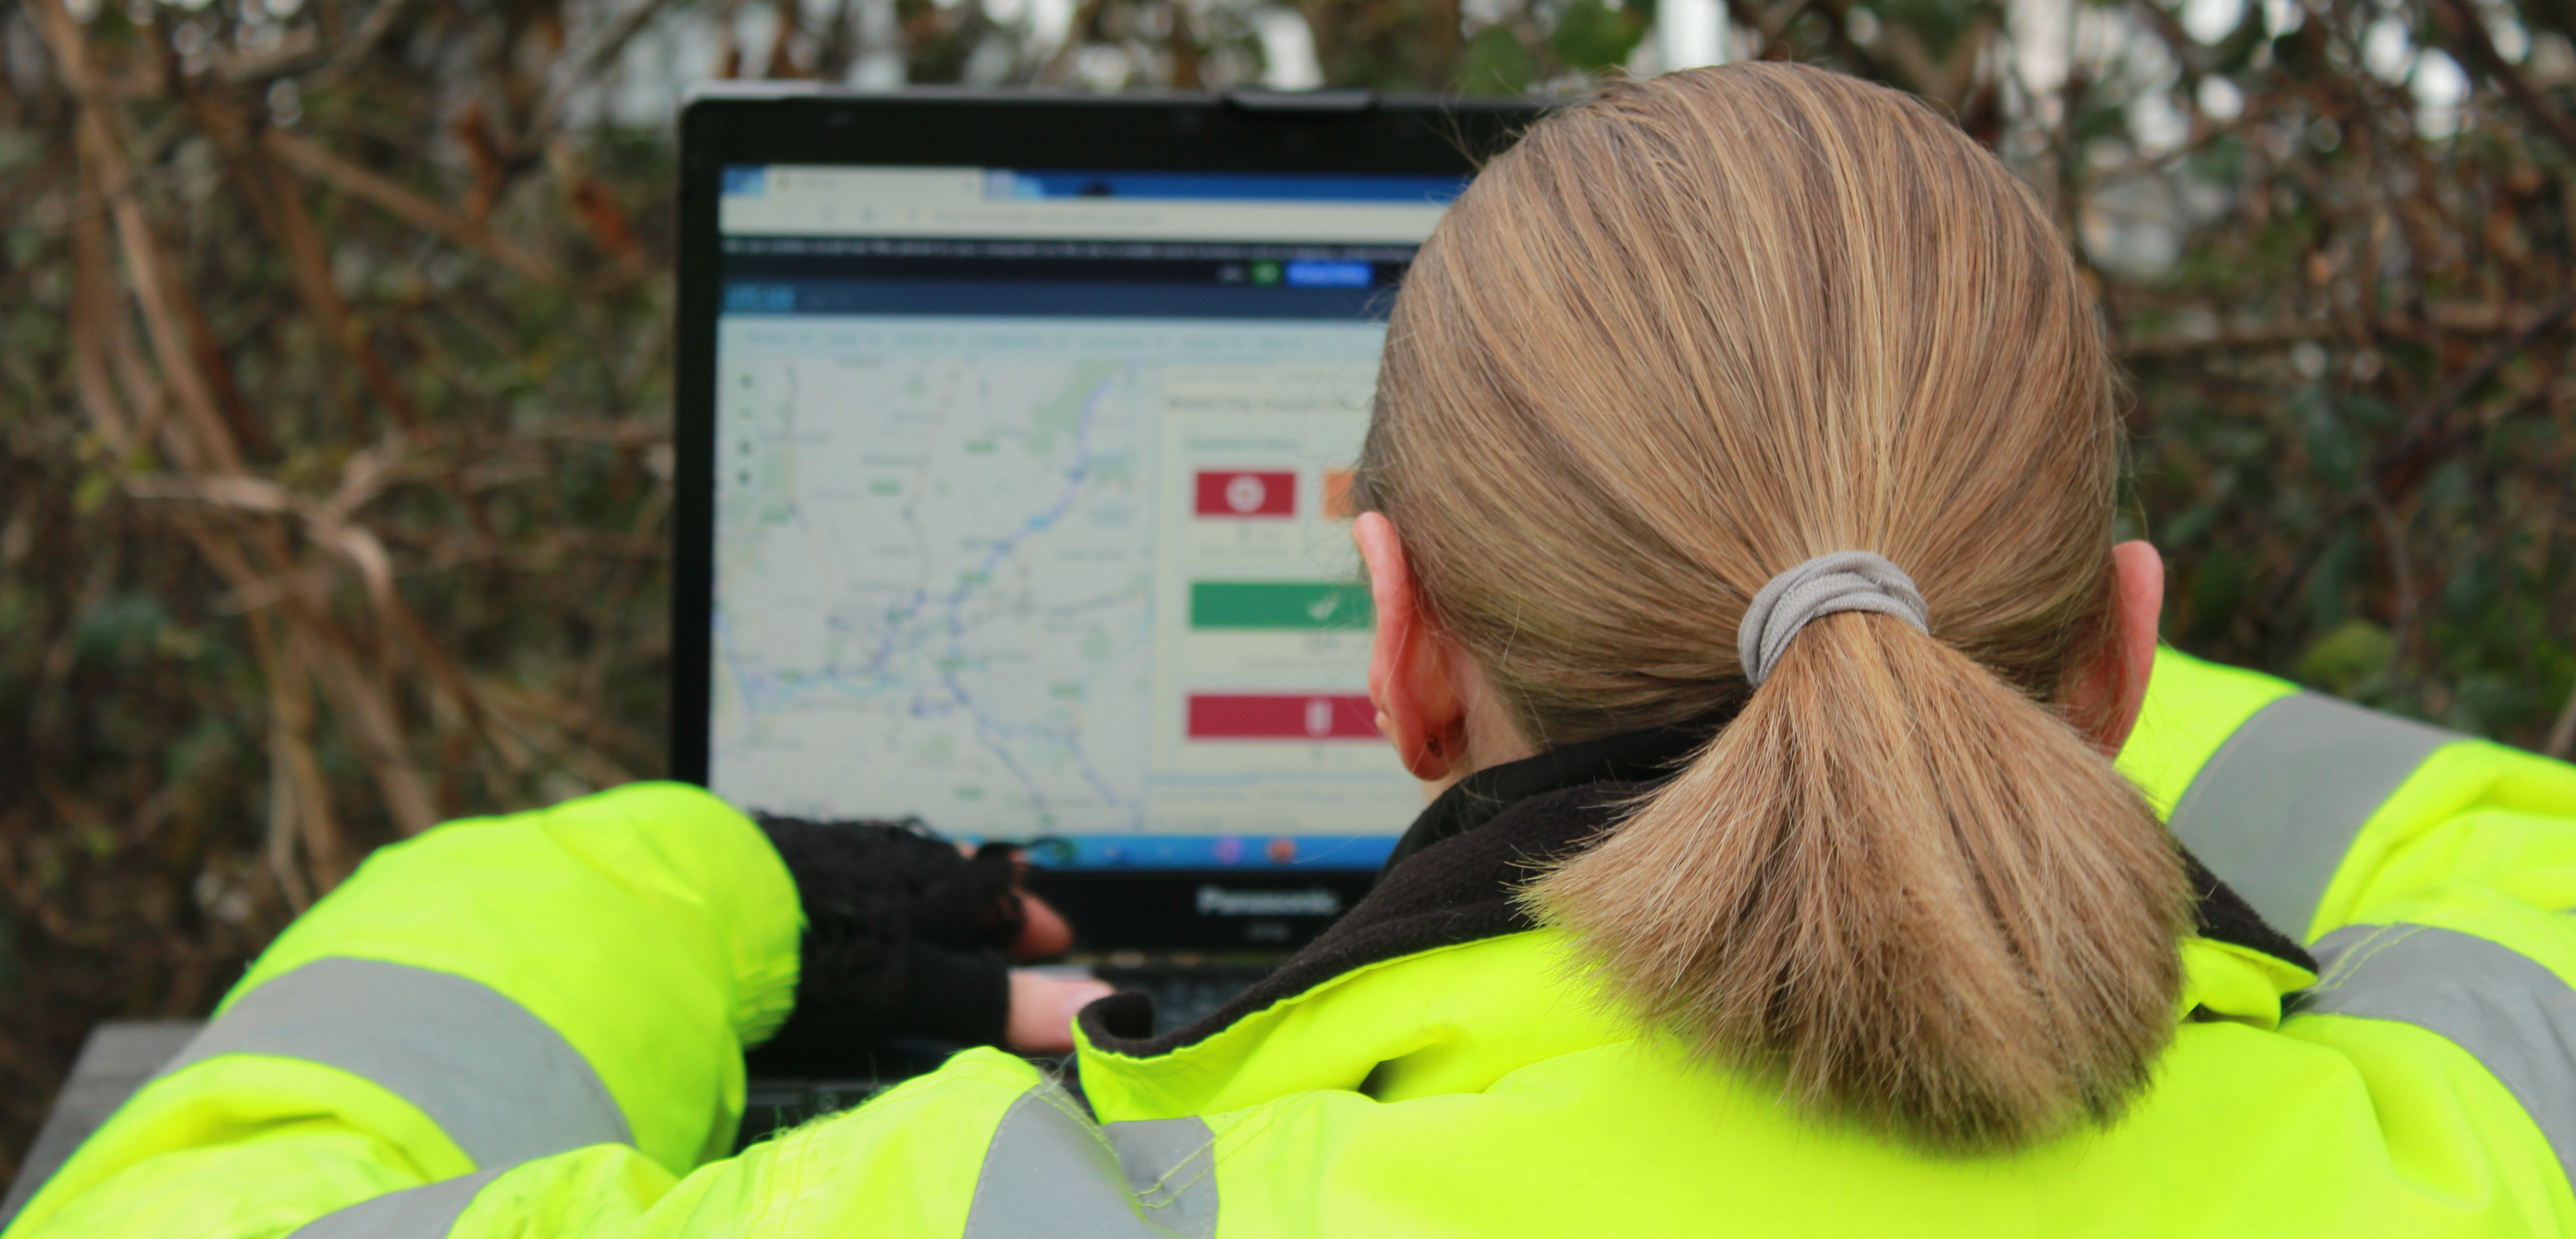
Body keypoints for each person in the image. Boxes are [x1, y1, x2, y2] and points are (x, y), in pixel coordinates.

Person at [17, 66, 2576, 1239]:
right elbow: (2487, 842)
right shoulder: (2483, 1139)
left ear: (1399, 653)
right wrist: (1927, 646)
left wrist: (699, 882)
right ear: (2119, 653)